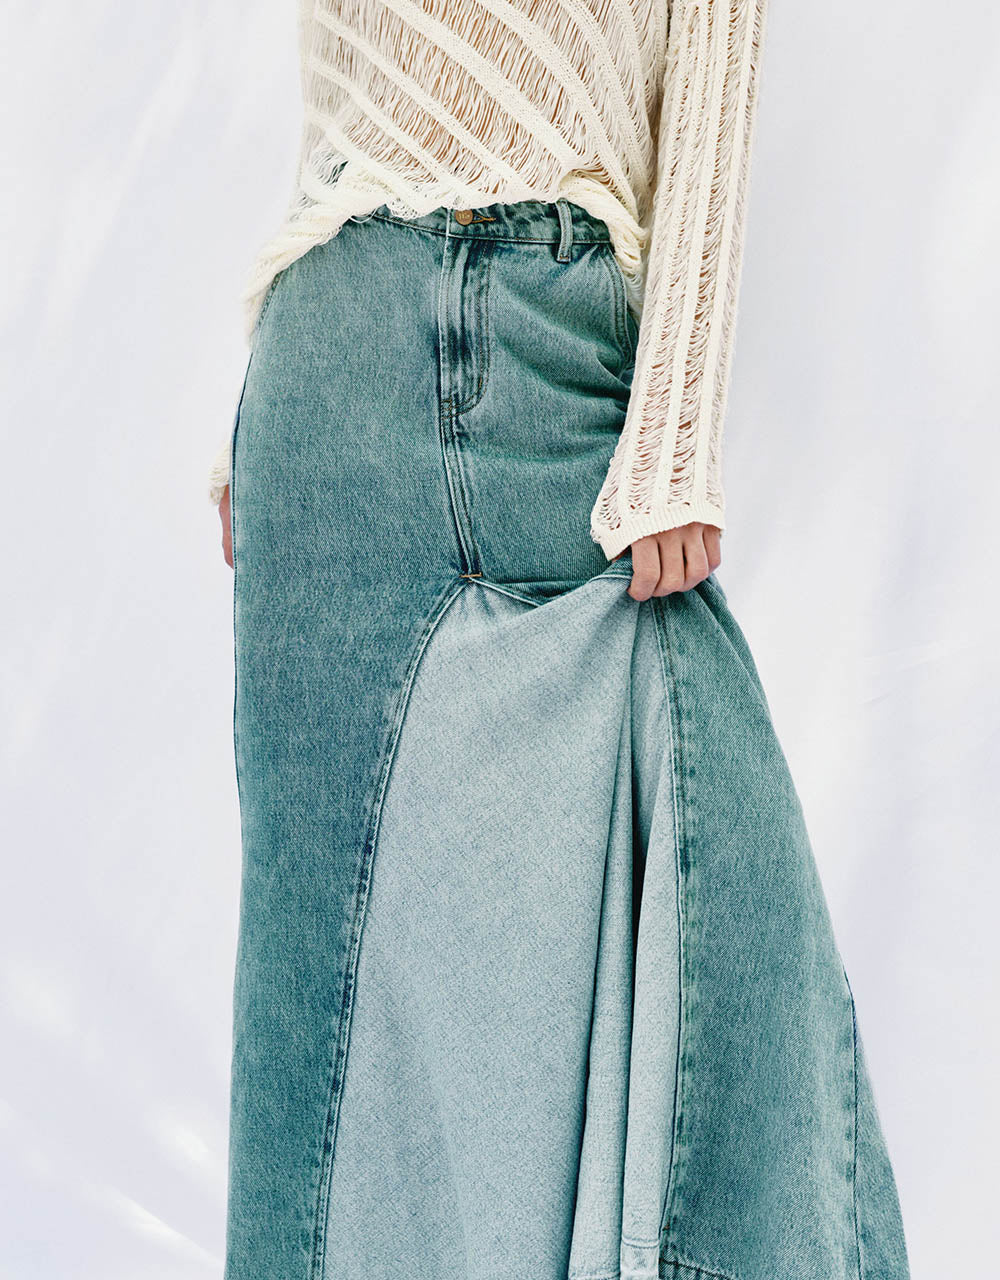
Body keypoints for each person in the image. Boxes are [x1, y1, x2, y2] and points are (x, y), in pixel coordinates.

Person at [209, 4, 910, 1279]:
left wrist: (676, 431)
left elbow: (715, 57)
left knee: (721, 910)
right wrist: (247, 418)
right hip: (325, 374)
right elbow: (342, 97)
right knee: (320, 1018)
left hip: (549, 342)